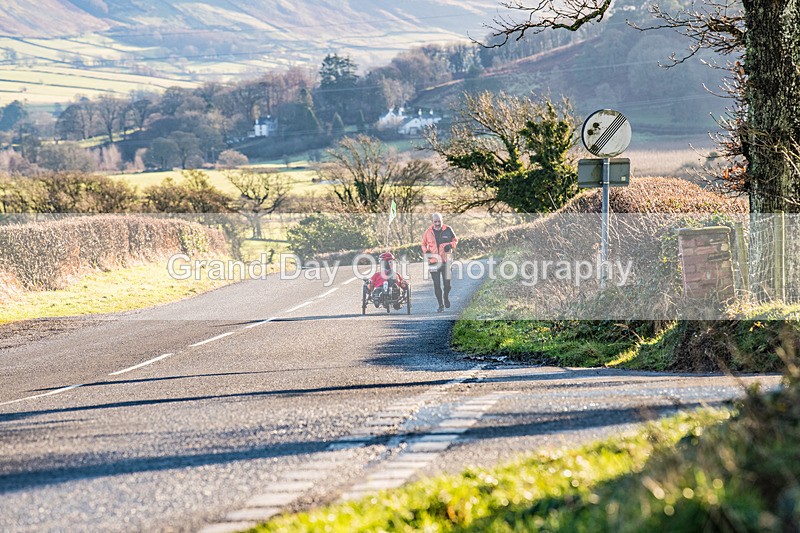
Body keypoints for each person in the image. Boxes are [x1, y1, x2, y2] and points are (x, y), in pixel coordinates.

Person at [421, 213, 458, 312]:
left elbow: (455, 241)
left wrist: (450, 245)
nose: (437, 224)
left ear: (442, 220)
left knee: (447, 285)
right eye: (435, 222)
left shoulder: (448, 229)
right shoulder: (428, 232)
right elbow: (423, 244)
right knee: (436, 285)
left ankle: (446, 297)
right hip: (433, 262)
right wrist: (426, 251)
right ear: (432, 222)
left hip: (446, 261)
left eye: (439, 221)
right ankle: (440, 305)